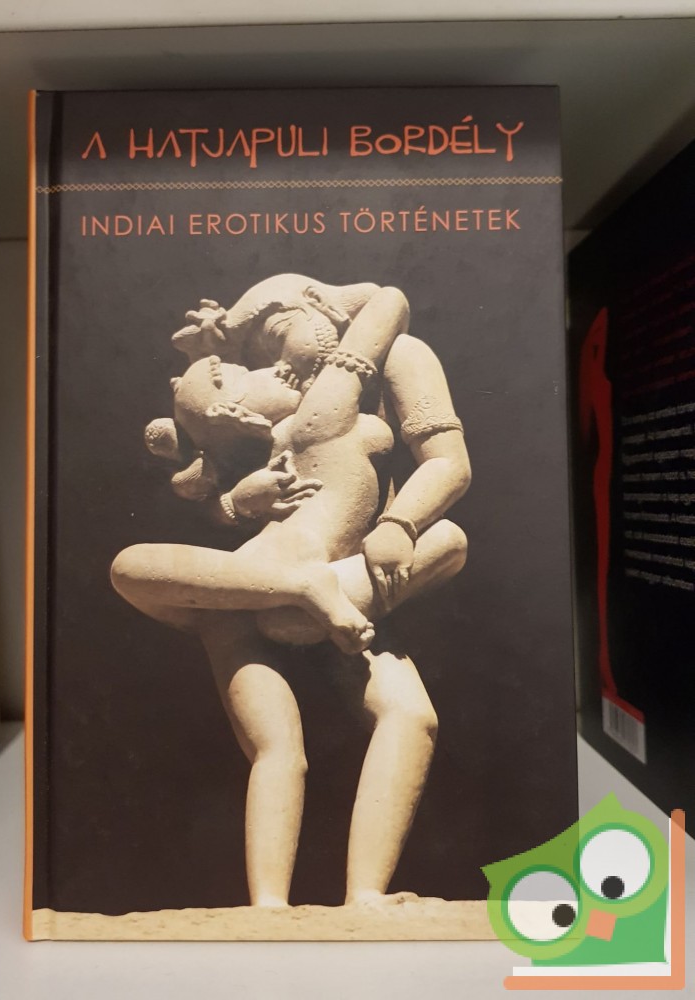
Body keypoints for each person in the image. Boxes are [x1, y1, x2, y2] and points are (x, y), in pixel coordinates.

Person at [113, 276, 470, 907]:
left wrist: (399, 522)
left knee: (411, 715)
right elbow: (222, 488)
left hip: (347, 573)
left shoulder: (382, 363)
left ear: (318, 305)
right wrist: (235, 502)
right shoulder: (307, 405)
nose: (271, 363)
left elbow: (448, 462)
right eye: (247, 361)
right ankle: (269, 908)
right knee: (275, 746)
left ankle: (366, 896)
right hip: (275, 582)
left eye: (275, 335)